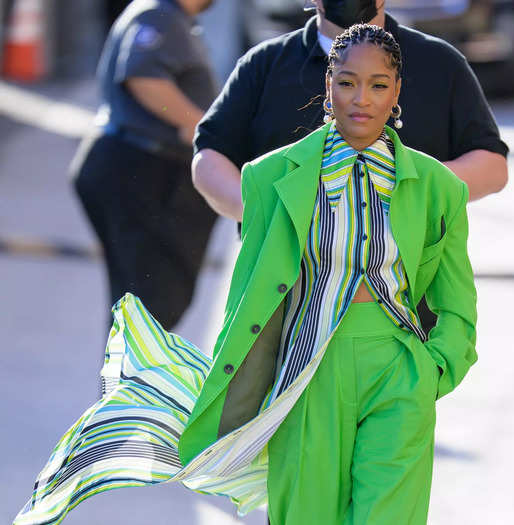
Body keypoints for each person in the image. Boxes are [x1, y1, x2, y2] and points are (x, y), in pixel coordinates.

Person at [15, 24, 477, 525]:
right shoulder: (269, 178)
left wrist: (431, 370)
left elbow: (456, 301)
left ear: (397, 93)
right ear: (328, 86)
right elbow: (249, 297)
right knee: (307, 516)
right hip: (308, 370)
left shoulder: (438, 188)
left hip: (398, 369)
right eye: (347, 82)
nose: (361, 98)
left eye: (378, 84)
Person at [192, 0, 507, 329]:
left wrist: (412, 191)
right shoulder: (264, 65)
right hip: (284, 320)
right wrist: (268, 213)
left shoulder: (439, 63)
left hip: (408, 320)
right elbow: (209, 158)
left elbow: (492, 164)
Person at [70, 0, 218, 330]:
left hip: (143, 168)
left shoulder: (171, 18)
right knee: (149, 308)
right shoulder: (159, 15)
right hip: (140, 167)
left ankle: (130, 380)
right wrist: (197, 125)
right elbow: (143, 79)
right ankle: (131, 382)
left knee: (147, 306)